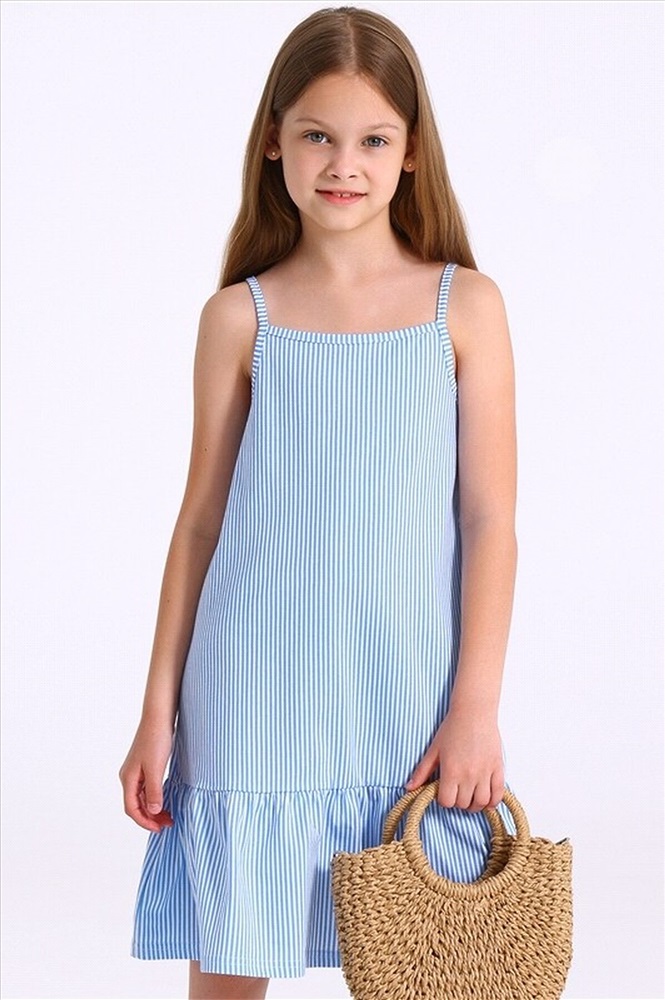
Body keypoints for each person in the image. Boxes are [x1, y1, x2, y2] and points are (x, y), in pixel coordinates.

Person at [119, 6, 519, 999]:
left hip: (408, 696)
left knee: (431, 971)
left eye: (373, 140)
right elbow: (200, 524)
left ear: (411, 152)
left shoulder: (463, 307)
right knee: (232, 968)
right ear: (273, 141)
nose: (343, 165)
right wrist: (157, 711)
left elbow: (489, 523)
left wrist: (474, 704)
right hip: (253, 693)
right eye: (316, 136)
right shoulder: (238, 318)